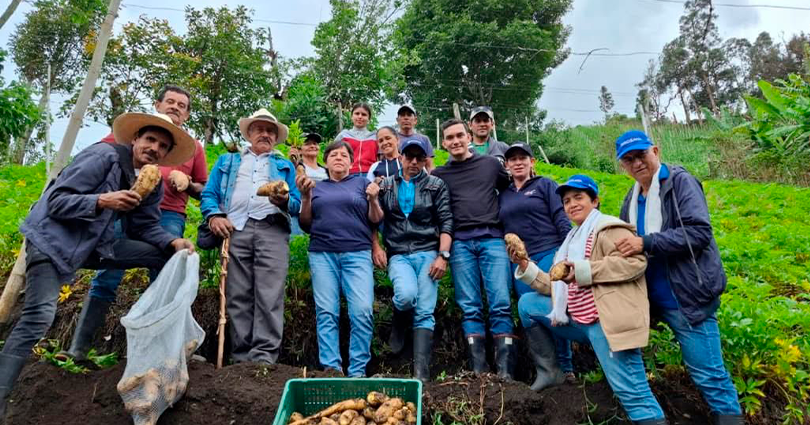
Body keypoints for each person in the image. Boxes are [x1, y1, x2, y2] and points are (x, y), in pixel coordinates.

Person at [0, 112, 196, 415]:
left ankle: (162, 341)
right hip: (52, 241)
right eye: (149, 140)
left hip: (94, 246)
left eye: (162, 146)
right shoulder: (102, 156)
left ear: (166, 154)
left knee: (164, 254)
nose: (154, 148)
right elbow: (56, 201)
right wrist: (102, 201)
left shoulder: (151, 181)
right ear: (134, 140)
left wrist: (173, 242)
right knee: (38, 317)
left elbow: (145, 227)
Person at [55, 84, 207, 363]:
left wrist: (188, 185)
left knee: (165, 275)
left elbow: (203, 190)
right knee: (107, 272)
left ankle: (163, 353)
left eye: (181, 105)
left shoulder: (193, 148)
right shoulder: (123, 138)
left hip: (169, 214)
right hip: (119, 211)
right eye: (170, 102)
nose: (175, 107)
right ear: (157, 105)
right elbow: (96, 161)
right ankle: (78, 348)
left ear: (186, 115)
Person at [513, 174, 666, 425]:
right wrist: (524, 264)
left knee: (631, 392)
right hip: (579, 318)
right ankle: (551, 373)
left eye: (579, 198)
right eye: (566, 201)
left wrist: (584, 271)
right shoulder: (571, 239)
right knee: (528, 304)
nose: (571, 204)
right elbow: (554, 284)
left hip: (605, 321)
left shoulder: (609, 228)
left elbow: (635, 263)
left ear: (595, 201)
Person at [614, 130, 743, 425]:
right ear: (623, 165)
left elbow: (699, 232)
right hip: (653, 299)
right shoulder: (630, 200)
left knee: (708, 374)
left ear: (656, 151)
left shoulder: (679, 182)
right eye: (628, 159)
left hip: (686, 298)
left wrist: (646, 242)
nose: (637, 164)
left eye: (641, 155)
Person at [200, 108, 301, 364]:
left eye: (270, 131)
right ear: (250, 133)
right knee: (237, 294)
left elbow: (297, 204)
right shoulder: (227, 162)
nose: (265, 134)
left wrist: (285, 199)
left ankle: (264, 358)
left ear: (276, 137)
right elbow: (209, 194)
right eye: (260, 129)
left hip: (272, 229)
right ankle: (241, 357)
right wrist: (215, 216)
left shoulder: (284, 165)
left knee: (270, 294)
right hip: (236, 230)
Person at [431, 118, 516, 380]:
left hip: (492, 239)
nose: (455, 141)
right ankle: (479, 372)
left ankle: (505, 373)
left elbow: (511, 189)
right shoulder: (439, 175)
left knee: (500, 302)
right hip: (460, 245)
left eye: (459, 136)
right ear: (443, 143)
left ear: (469, 137)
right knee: (470, 305)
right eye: (450, 138)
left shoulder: (491, 165)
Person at [297, 141, 384, 377]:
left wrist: (374, 199)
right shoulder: (316, 187)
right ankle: (332, 368)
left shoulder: (362, 183)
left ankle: (357, 371)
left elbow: (375, 220)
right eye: (333, 154)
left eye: (344, 155)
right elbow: (305, 224)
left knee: (362, 310)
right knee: (327, 312)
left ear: (351, 160)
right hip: (322, 254)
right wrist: (305, 197)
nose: (338, 158)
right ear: (325, 161)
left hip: (357, 253)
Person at [371, 139, 453, 383]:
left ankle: (421, 375)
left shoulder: (436, 185)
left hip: (428, 251)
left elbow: (446, 221)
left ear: (426, 159)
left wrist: (443, 255)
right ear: (401, 158)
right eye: (409, 157)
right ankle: (399, 322)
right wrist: (376, 246)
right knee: (406, 295)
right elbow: (372, 221)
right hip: (398, 253)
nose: (414, 162)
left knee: (425, 310)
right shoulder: (385, 185)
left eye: (420, 157)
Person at [497, 142, 575, 382]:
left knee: (556, 305)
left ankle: (567, 367)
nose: (518, 162)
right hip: (522, 262)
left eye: (523, 158)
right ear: (507, 165)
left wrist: (568, 249)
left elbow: (560, 217)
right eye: (513, 159)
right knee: (529, 311)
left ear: (533, 162)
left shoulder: (545, 185)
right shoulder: (504, 194)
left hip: (550, 252)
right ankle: (547, 369)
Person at [289, 133, 327, 235]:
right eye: (307, 144)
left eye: (315, 144)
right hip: (301, 214)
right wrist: (294, 162)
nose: (312, 146)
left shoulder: (326, 170)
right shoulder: (295, 168)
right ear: (300, 149)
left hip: (323, 213)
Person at [334, 102, 377, 176]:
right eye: (357, 113)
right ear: (352, 117)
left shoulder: (375, 137)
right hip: (347, 175)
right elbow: (333, 155)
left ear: (369, 118)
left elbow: (381, 158)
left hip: (370, 175)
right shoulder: (343, 135)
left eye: (364, 114)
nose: (360, 117)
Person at [396, 105, 434, 172]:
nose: (406, 118)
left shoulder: (424, 139)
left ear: (415, 120)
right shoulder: (391, 139)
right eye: (402, 115)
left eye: (409, 115)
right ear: (397, 120)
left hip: (419, 178)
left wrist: (433, 181)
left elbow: (429, 165)